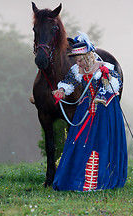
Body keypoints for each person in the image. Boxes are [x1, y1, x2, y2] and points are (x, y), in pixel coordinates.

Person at [53, 33, 127, 191]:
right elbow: (69, 82)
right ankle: (78, 179)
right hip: (86, 109)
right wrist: (61, 90)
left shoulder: (104, 67)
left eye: (80, 60)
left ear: (88, 57)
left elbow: (115, 86)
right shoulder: (77, 69)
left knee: (101, 141)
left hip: (105, 111)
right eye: (76, 60)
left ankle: (98, 179)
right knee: (80, 142)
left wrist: (107, 78)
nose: (77, 63)